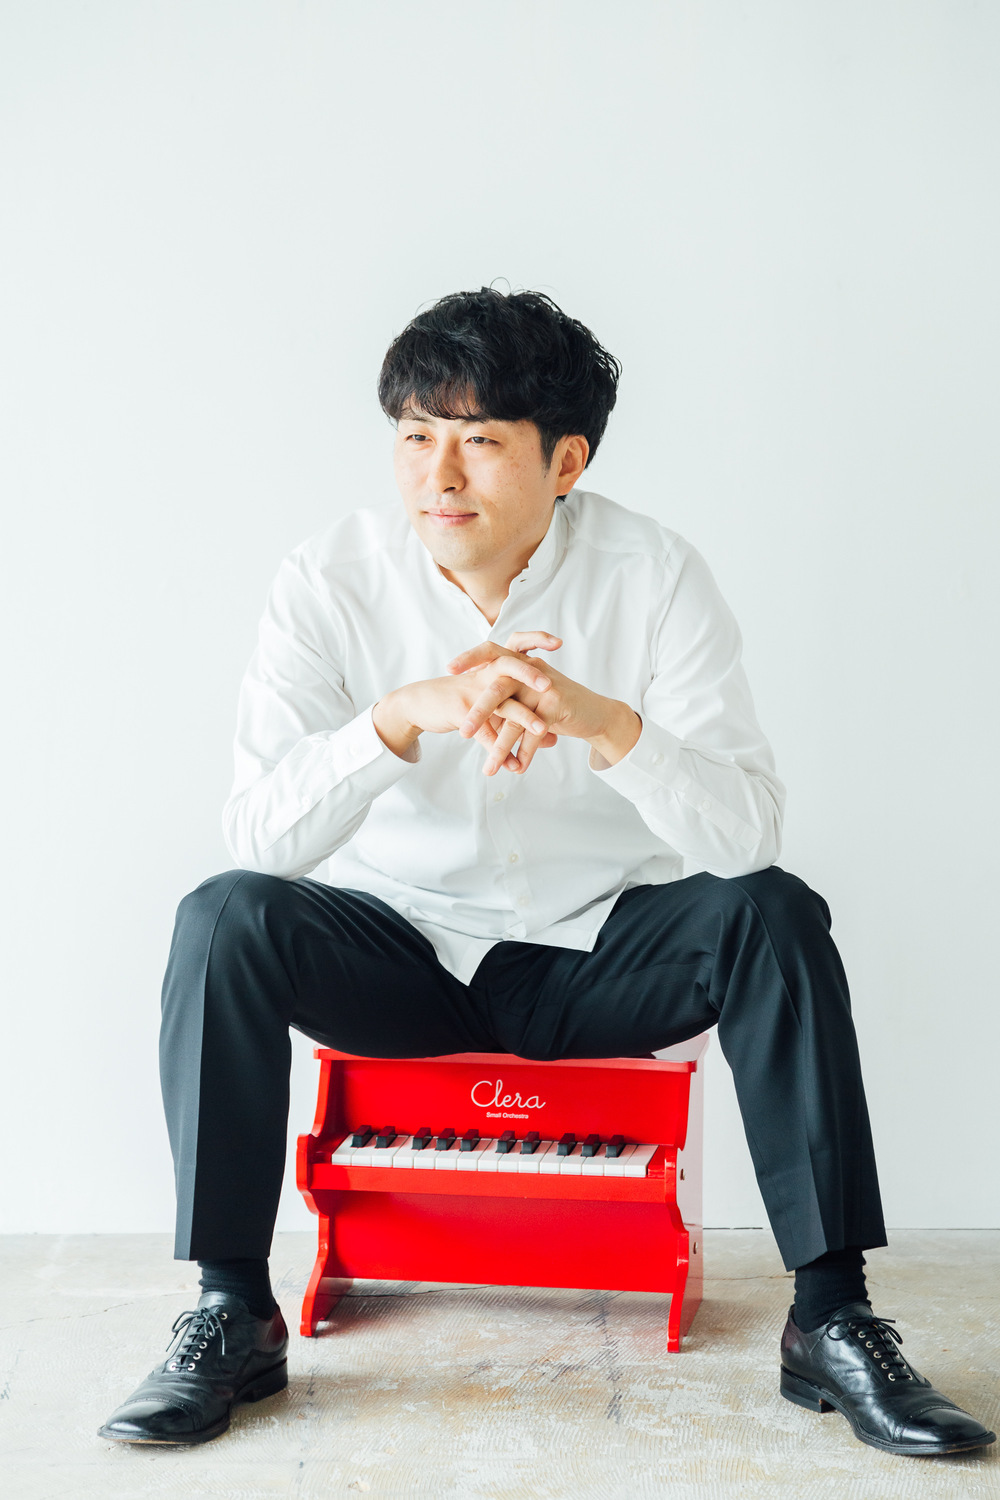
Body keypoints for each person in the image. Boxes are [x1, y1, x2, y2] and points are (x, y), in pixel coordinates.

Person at [99, 287, 994, 1457]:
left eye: (478, 440)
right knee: (223, 916)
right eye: (414, 435)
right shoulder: (327, 579)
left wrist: (601, 723)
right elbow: (262, 838)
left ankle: (830, 1318)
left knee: (772, 913)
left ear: (565, 459)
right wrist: (401, 718)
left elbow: (744, 837)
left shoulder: (653, 574)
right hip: (399, 951)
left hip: (595, 953)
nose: (437, 475)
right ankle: (232, 1310)